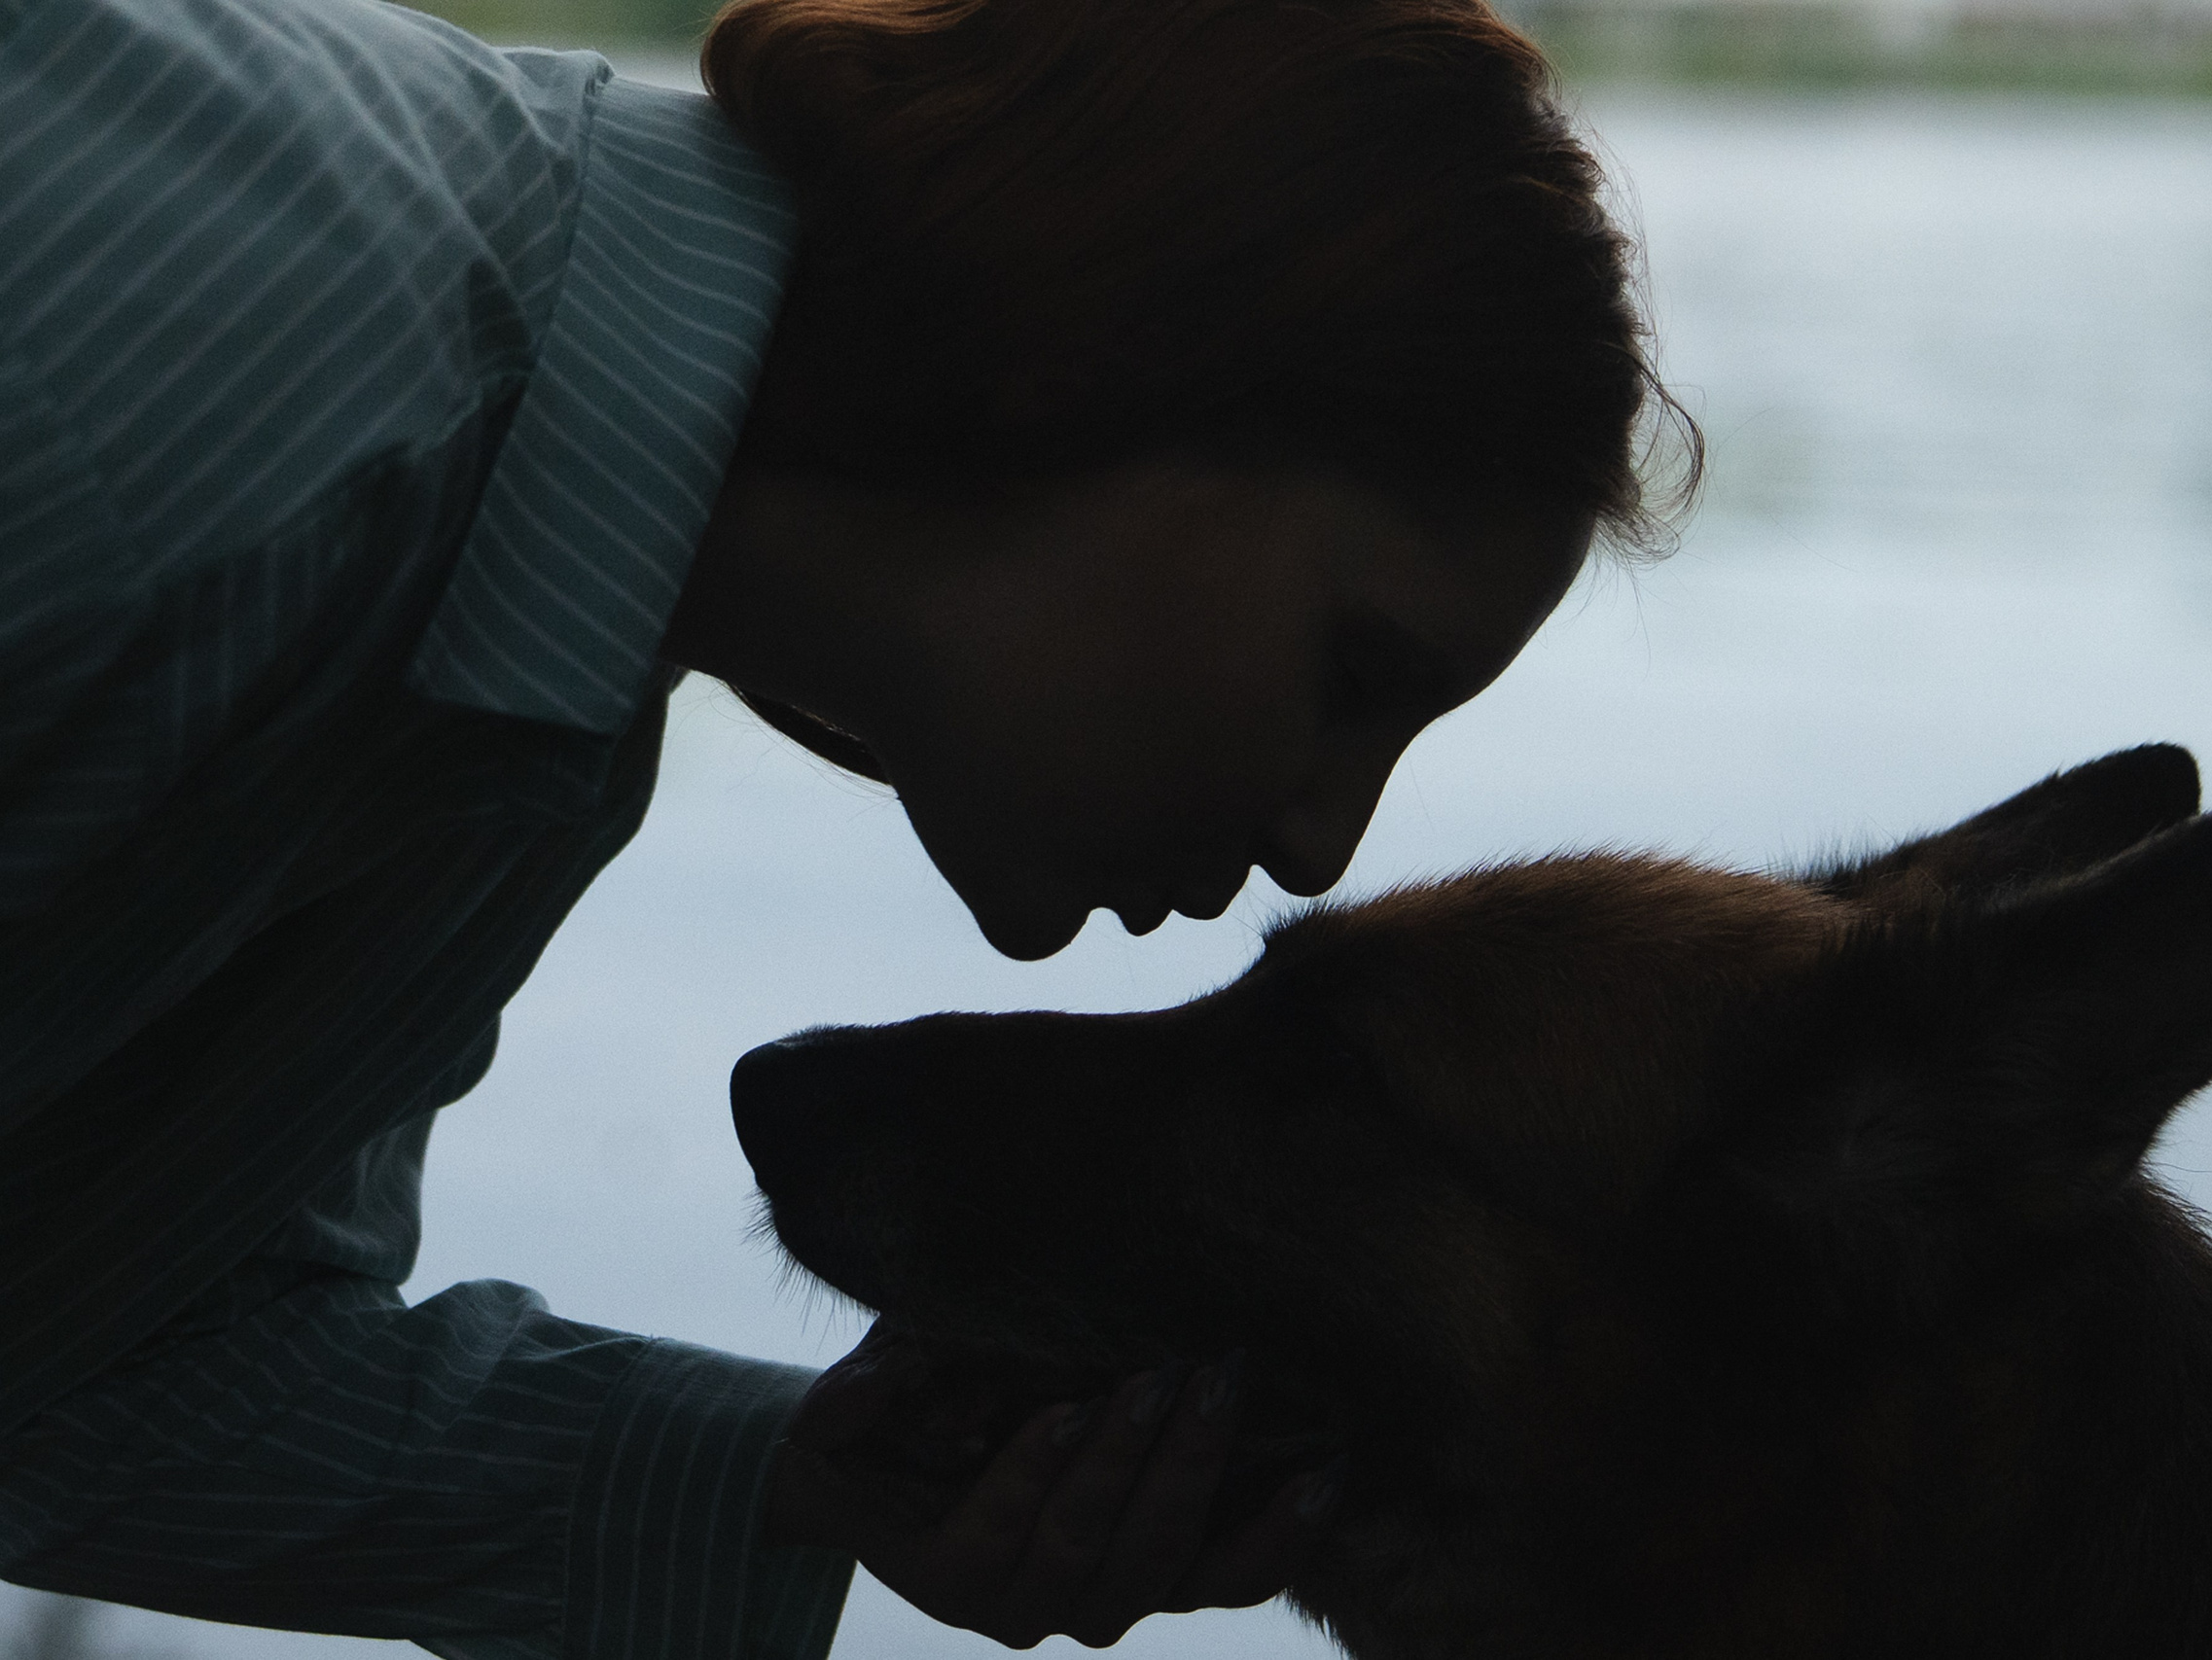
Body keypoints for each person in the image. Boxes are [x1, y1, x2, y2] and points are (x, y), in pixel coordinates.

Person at [0, 0, 1695, 1652]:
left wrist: (809, 1480)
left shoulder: (508, 678)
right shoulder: (190, 413)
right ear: (1115, 355)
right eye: (1350, 671)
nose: (1322, 844)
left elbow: (72, 1361)